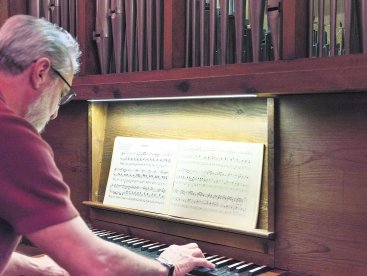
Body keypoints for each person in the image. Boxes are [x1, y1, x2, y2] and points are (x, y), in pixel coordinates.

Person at [0, 14, 215, 275]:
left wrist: (41, 269)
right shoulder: (12, 136)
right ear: (41, 72)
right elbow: (99, 264)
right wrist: (168, 267)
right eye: (61, 93)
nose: (55, 113)